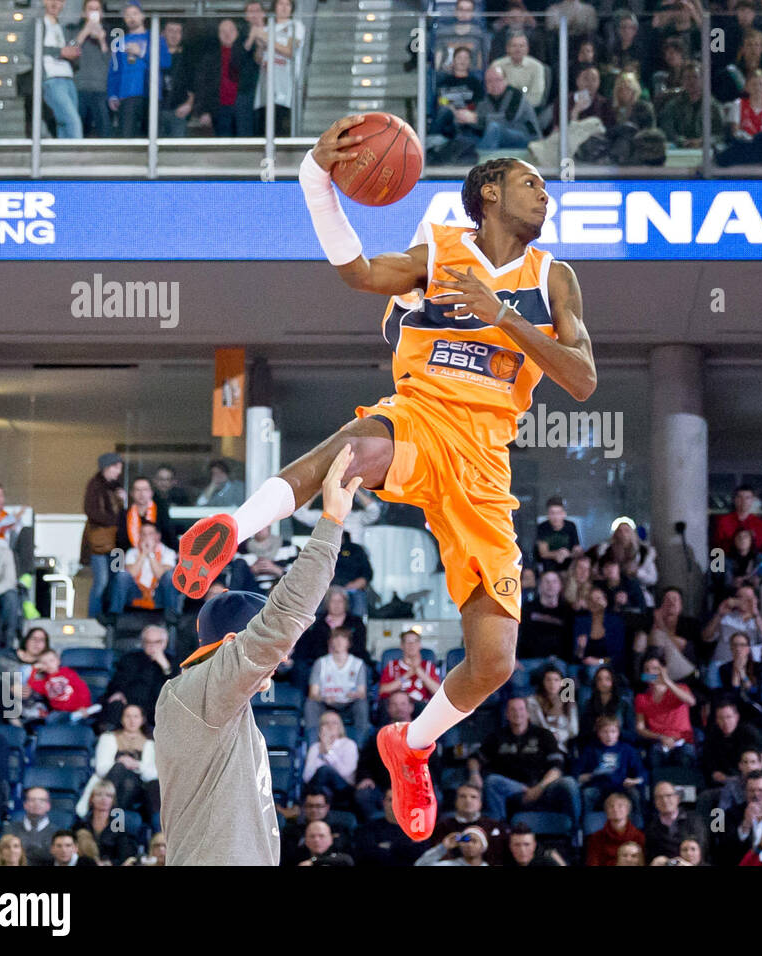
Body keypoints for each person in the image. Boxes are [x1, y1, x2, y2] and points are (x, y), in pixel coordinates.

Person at [173, 143, 596, 847]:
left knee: (495, 661)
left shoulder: (555, 278)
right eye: (531, 182)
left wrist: (505, 316)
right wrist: (314, 178)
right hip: (422, 418)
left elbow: (582, 379)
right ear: (488, 192)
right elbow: (359, 271)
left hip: (486, 467)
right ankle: (234, 525)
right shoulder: (439, 248)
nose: (545, 195)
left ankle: (413, 741)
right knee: (352, 446)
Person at [154, 450, 355, 865]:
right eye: (272, 655)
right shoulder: (201, 691)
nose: (278, 663)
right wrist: (331, 524)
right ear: (233, 641)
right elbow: (285, 618)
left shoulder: (208, 700)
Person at [78, 703, 158, 816]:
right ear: (121, 719)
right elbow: (101, 769)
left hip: (139, 788)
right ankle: (115, 823)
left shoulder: (150, 743)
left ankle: (107, 817)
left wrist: (136, 765)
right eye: (128, 716)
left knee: (133, 783)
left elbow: (153, 774)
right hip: (112, 782)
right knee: (121, 772)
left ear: (142, 719)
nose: (132, 720)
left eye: (136, 716)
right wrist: (121, 762)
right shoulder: (108, 738)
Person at [106, 1, 168, 136]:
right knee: (127, 137)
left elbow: (165, 62)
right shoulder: (119, 42)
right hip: (127, 95)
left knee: (153, 136)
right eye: (127, 15)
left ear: (142, 16)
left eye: (135, 13)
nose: (131, 18)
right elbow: (114, 70)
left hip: (151, 94)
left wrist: (142, 53)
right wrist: (113, 94)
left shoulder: (156, 37)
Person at [102, 625, 175, 730]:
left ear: (164, 643)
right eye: (148, 642)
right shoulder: (130, 658)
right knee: (115, 705)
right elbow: (117, 682)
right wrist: (118, 692)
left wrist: (165, 666)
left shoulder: (173, 661)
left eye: (157, 642)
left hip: (158, 706)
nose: (152, 646)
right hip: (131, 704)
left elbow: (177, 687)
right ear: (142, 643)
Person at [81, 452, 125, 619]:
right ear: (106, 467)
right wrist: (114, 522)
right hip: (100, 544)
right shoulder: (95, 485)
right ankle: (95, 617)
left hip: (117, 544)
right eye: (116, 467)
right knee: (102, 581)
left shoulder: (115, 486)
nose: (118, 472)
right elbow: (91, 511)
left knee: (117, 577)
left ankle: (111, 614)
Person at [306, 628, 370, 741]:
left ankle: (361, 747)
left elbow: (362, 693)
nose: (339, 642)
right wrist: (324, 698)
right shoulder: (321, 663)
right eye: (336, 638)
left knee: (362, 704)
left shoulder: (358, 664)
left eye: (343, 638)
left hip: (349, 704)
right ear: (331, 642)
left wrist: (355, 695)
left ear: (348, 643)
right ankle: (313, 746)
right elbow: (313, 693)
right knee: (311, 704)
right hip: (326, 704)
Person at [252, 0, 304, 136]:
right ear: (275, 6)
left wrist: (267, 39)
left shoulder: (295, 26)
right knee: (262, 132)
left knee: (280, 131)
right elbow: (258, 58)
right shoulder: (268, 27)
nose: (284, 8)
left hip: (284, 89)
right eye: (281, 4)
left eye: (288, 4)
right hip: (265, 88)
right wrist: (259, 44)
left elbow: (290, 51)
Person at [40, 0, 83, 139]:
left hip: (69, 79)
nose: (54, 3)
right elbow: (30, 49)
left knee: (64, 124)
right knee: (73, 122)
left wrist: (71, 53)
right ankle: (78, 158)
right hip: (52, 79)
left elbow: (69, 50)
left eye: (59, 0)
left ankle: (64, 159)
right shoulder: (39, 24)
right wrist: (61, 52)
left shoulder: (62, 28)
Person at [70, 0, 111, 137]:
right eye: (90, 9)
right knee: (78, 130)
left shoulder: (110, 33)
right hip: (79, 87)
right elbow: (69, 53)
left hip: (101, 89)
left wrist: (102, 40)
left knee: (104, 129)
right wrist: (85, 32)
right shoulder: (73, 30)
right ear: (84, 13)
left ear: (102, 13)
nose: (94, 12)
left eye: (97, 9)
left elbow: (111, 63)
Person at [376, 625, 442, 705]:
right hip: (398, 706)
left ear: (419, 645)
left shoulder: (428, 666)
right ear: (402, 646)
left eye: (415, 641)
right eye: (408, 642)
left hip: (422, 706)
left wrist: (419, 671)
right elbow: (382, 690)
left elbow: (439, 693)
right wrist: (407, 675)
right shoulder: (392, 666)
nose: (411, 645)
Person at [27, 648, 93, 720]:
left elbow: (82, 689)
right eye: (44, 663)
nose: (49, 665)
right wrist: (34, 669)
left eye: (51, 661)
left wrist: (84, 706)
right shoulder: (45, 682)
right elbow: (31, 683)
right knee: (50, 719)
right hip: (59, 712)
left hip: (77, 709)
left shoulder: (67, 672)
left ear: (58, 661)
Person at [585, 790, 646, 865]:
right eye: (611, 806)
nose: (615, 809)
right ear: (606, 812)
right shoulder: (596, 838)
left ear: (628, 810)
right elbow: (593, 863)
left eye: (620, 806)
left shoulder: (639, 837)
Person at [1, 786, 55, 867]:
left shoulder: (59, 832)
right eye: (32, 800)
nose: (37, 804)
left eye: (41, 800)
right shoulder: (9, 829)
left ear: (48, 806)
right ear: (25, 805)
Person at [534, 497, 581, 573]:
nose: (555, 517)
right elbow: (543, 553)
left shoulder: (571, 526)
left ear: (564, 514)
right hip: (548, 568)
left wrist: (568, 554)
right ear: (548, 514)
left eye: (558, 513)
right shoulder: (542, 527)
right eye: (552, 513)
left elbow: (577, 549)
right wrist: (557, 554)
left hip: (569, 567)